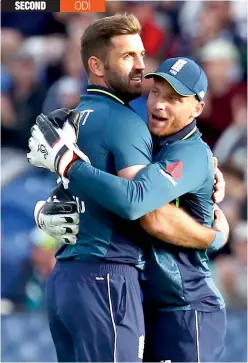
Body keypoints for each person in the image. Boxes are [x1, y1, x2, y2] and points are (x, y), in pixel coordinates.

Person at [27, 14, 227, 363]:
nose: (160, 104)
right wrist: (44, 211)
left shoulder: (82, 120)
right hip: (124, 289)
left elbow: (145, 211)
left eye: (175, 98)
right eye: (157, 92)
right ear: (97, 66)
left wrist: (67, 165)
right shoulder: (134, 128)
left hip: (186, 305)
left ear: (198, 108)